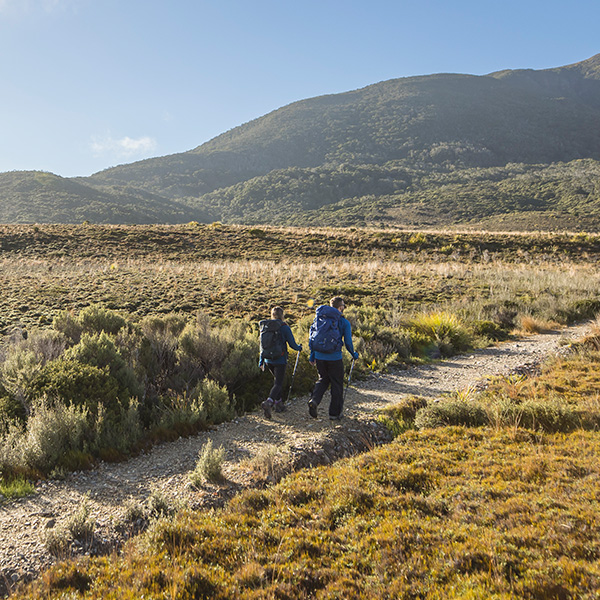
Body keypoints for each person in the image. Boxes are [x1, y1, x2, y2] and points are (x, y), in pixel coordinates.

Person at [308, 296, 358, 420]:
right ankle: (334, 414)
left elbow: (312, 336)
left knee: (323, 379)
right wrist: (353, 354)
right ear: (340, 307)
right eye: (344, 306)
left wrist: (312, 354)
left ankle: (314, 400)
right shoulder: (343, 322)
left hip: (319, 356)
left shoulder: (319, 319)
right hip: (335, 357)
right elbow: (347, 342)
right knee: (336, 384)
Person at [259, 306, 302, 419]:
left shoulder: (266, 327)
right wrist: (299, 348)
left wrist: (261, 361)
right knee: (278, 383)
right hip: (280, 359)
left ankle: (279, 405)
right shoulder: (284, 327)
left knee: (276, 381)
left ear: (272, 315)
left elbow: (262, 346)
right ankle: (269, 402)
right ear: (282, 315)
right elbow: (292, 344)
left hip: (268, 360)